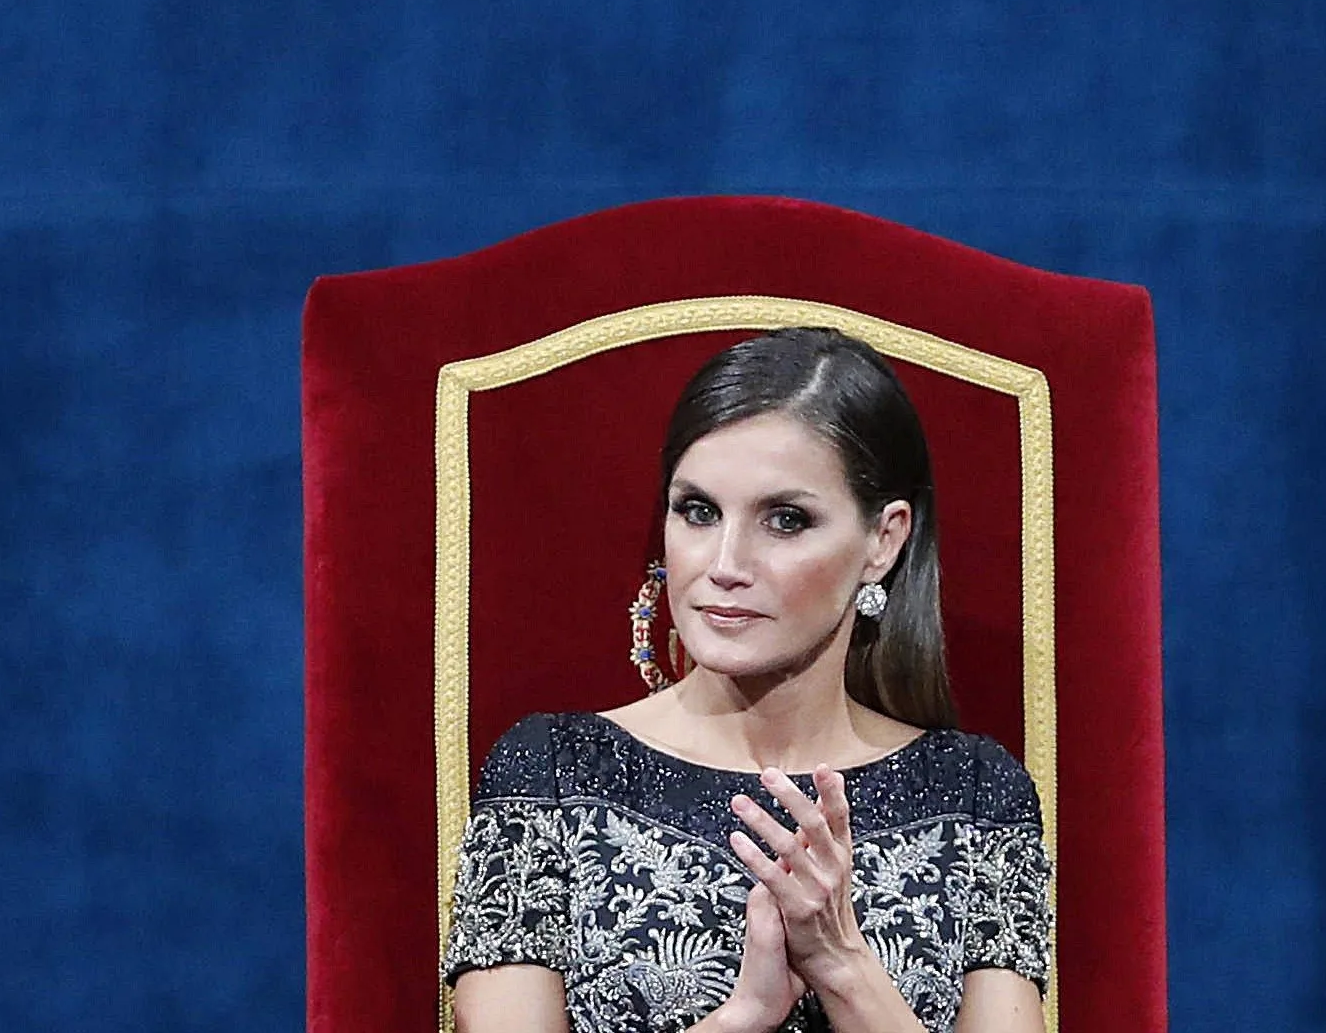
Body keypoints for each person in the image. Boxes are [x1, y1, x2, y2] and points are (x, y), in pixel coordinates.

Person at [444, 329, 1049, 1033]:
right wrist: (745, 1017)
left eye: (785, 520)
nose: (724, 562)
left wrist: (842, 965)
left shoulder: (973, 797)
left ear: (883, 541)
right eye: (698, 511)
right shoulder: (554, 774)